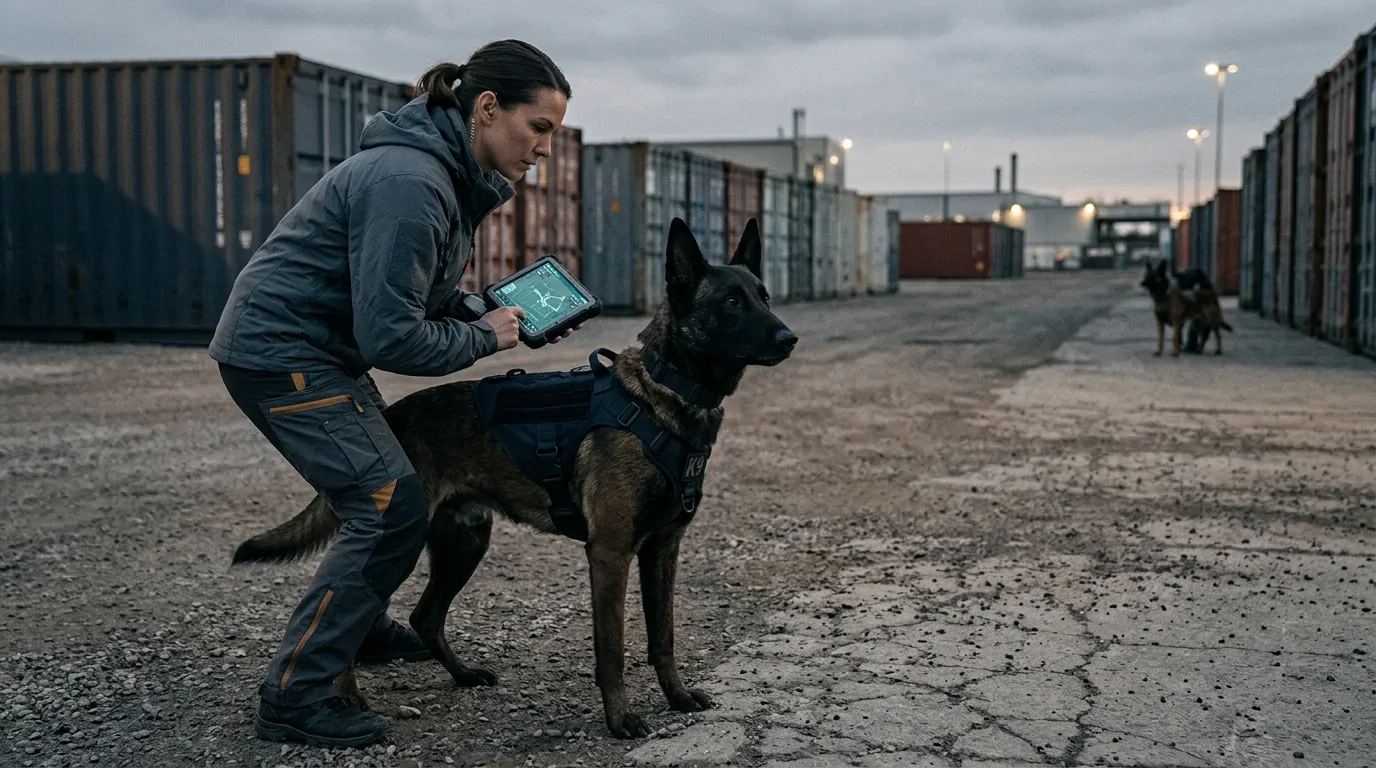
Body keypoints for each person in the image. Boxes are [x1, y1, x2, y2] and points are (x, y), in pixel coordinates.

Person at [208, 40, 573, 748]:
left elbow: (413, 293)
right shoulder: (412, 182)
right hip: (278, 354)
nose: (543, 149)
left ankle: (359, 624)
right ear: (488, 108)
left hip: (314, 352)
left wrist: (471, 309)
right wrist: (487, 339)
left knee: (383, 494)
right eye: (540, 128)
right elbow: (391, 338)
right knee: (390, 505)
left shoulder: (442, 177)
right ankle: (297, 694)